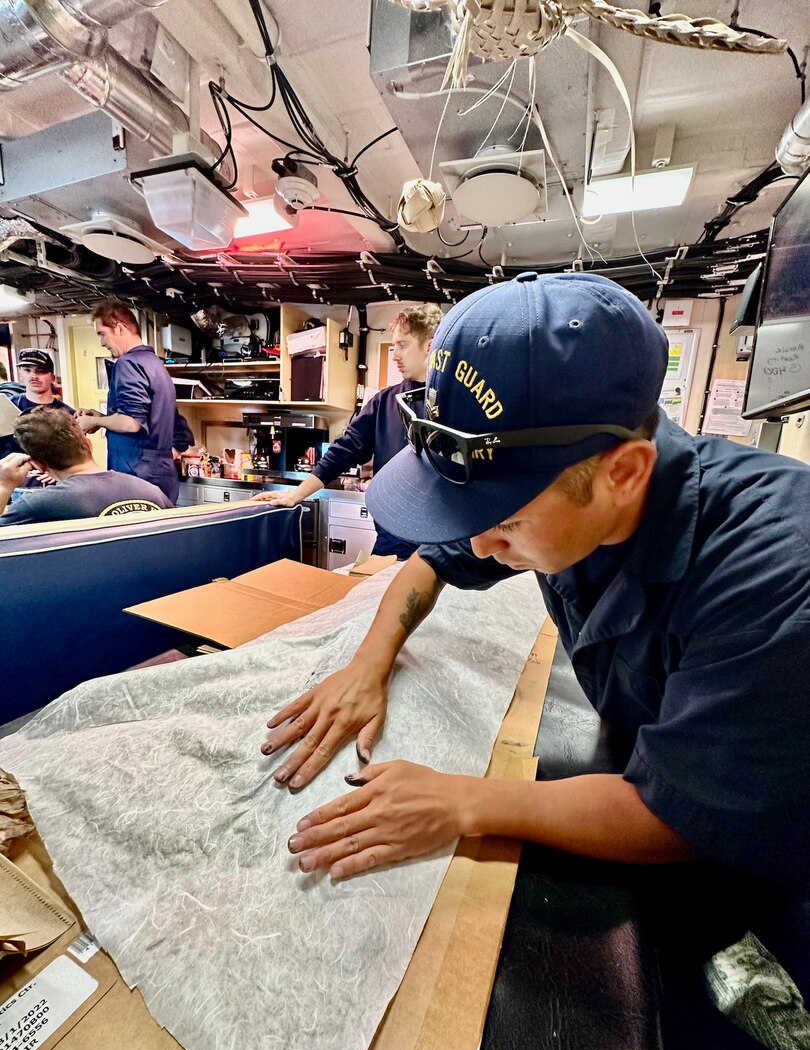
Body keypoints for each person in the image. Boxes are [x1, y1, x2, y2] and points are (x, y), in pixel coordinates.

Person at [259, 272, 810, 916]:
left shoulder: (776, 577)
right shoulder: (563, 495)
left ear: (624, 475)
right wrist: (368, 664)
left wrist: (466, 802)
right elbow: (428, 565)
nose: (484, 546)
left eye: (508, 522)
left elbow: (682, 817)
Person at [251, 303, 443, 559]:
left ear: (429, 346)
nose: (395, 353)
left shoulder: (456, 403)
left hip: (444, 545)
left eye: (403, 345)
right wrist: (296, 495)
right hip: (393, 543)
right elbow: (343, 452)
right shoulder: (385, 403)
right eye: (393, 345)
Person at [75, 302, 179, 504]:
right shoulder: (155, 363)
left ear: (120, 328)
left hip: (136, 472)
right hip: (159, 472)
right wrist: (102, 417)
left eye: (102, 334)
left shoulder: (128, 363)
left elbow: (131, 422)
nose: (102, 343)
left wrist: (95, 423)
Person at [0, 406, 172, 526]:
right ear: (89, 445)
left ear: (38, 465)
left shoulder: (37, 506)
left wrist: (3, 486)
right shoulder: (152, 492)